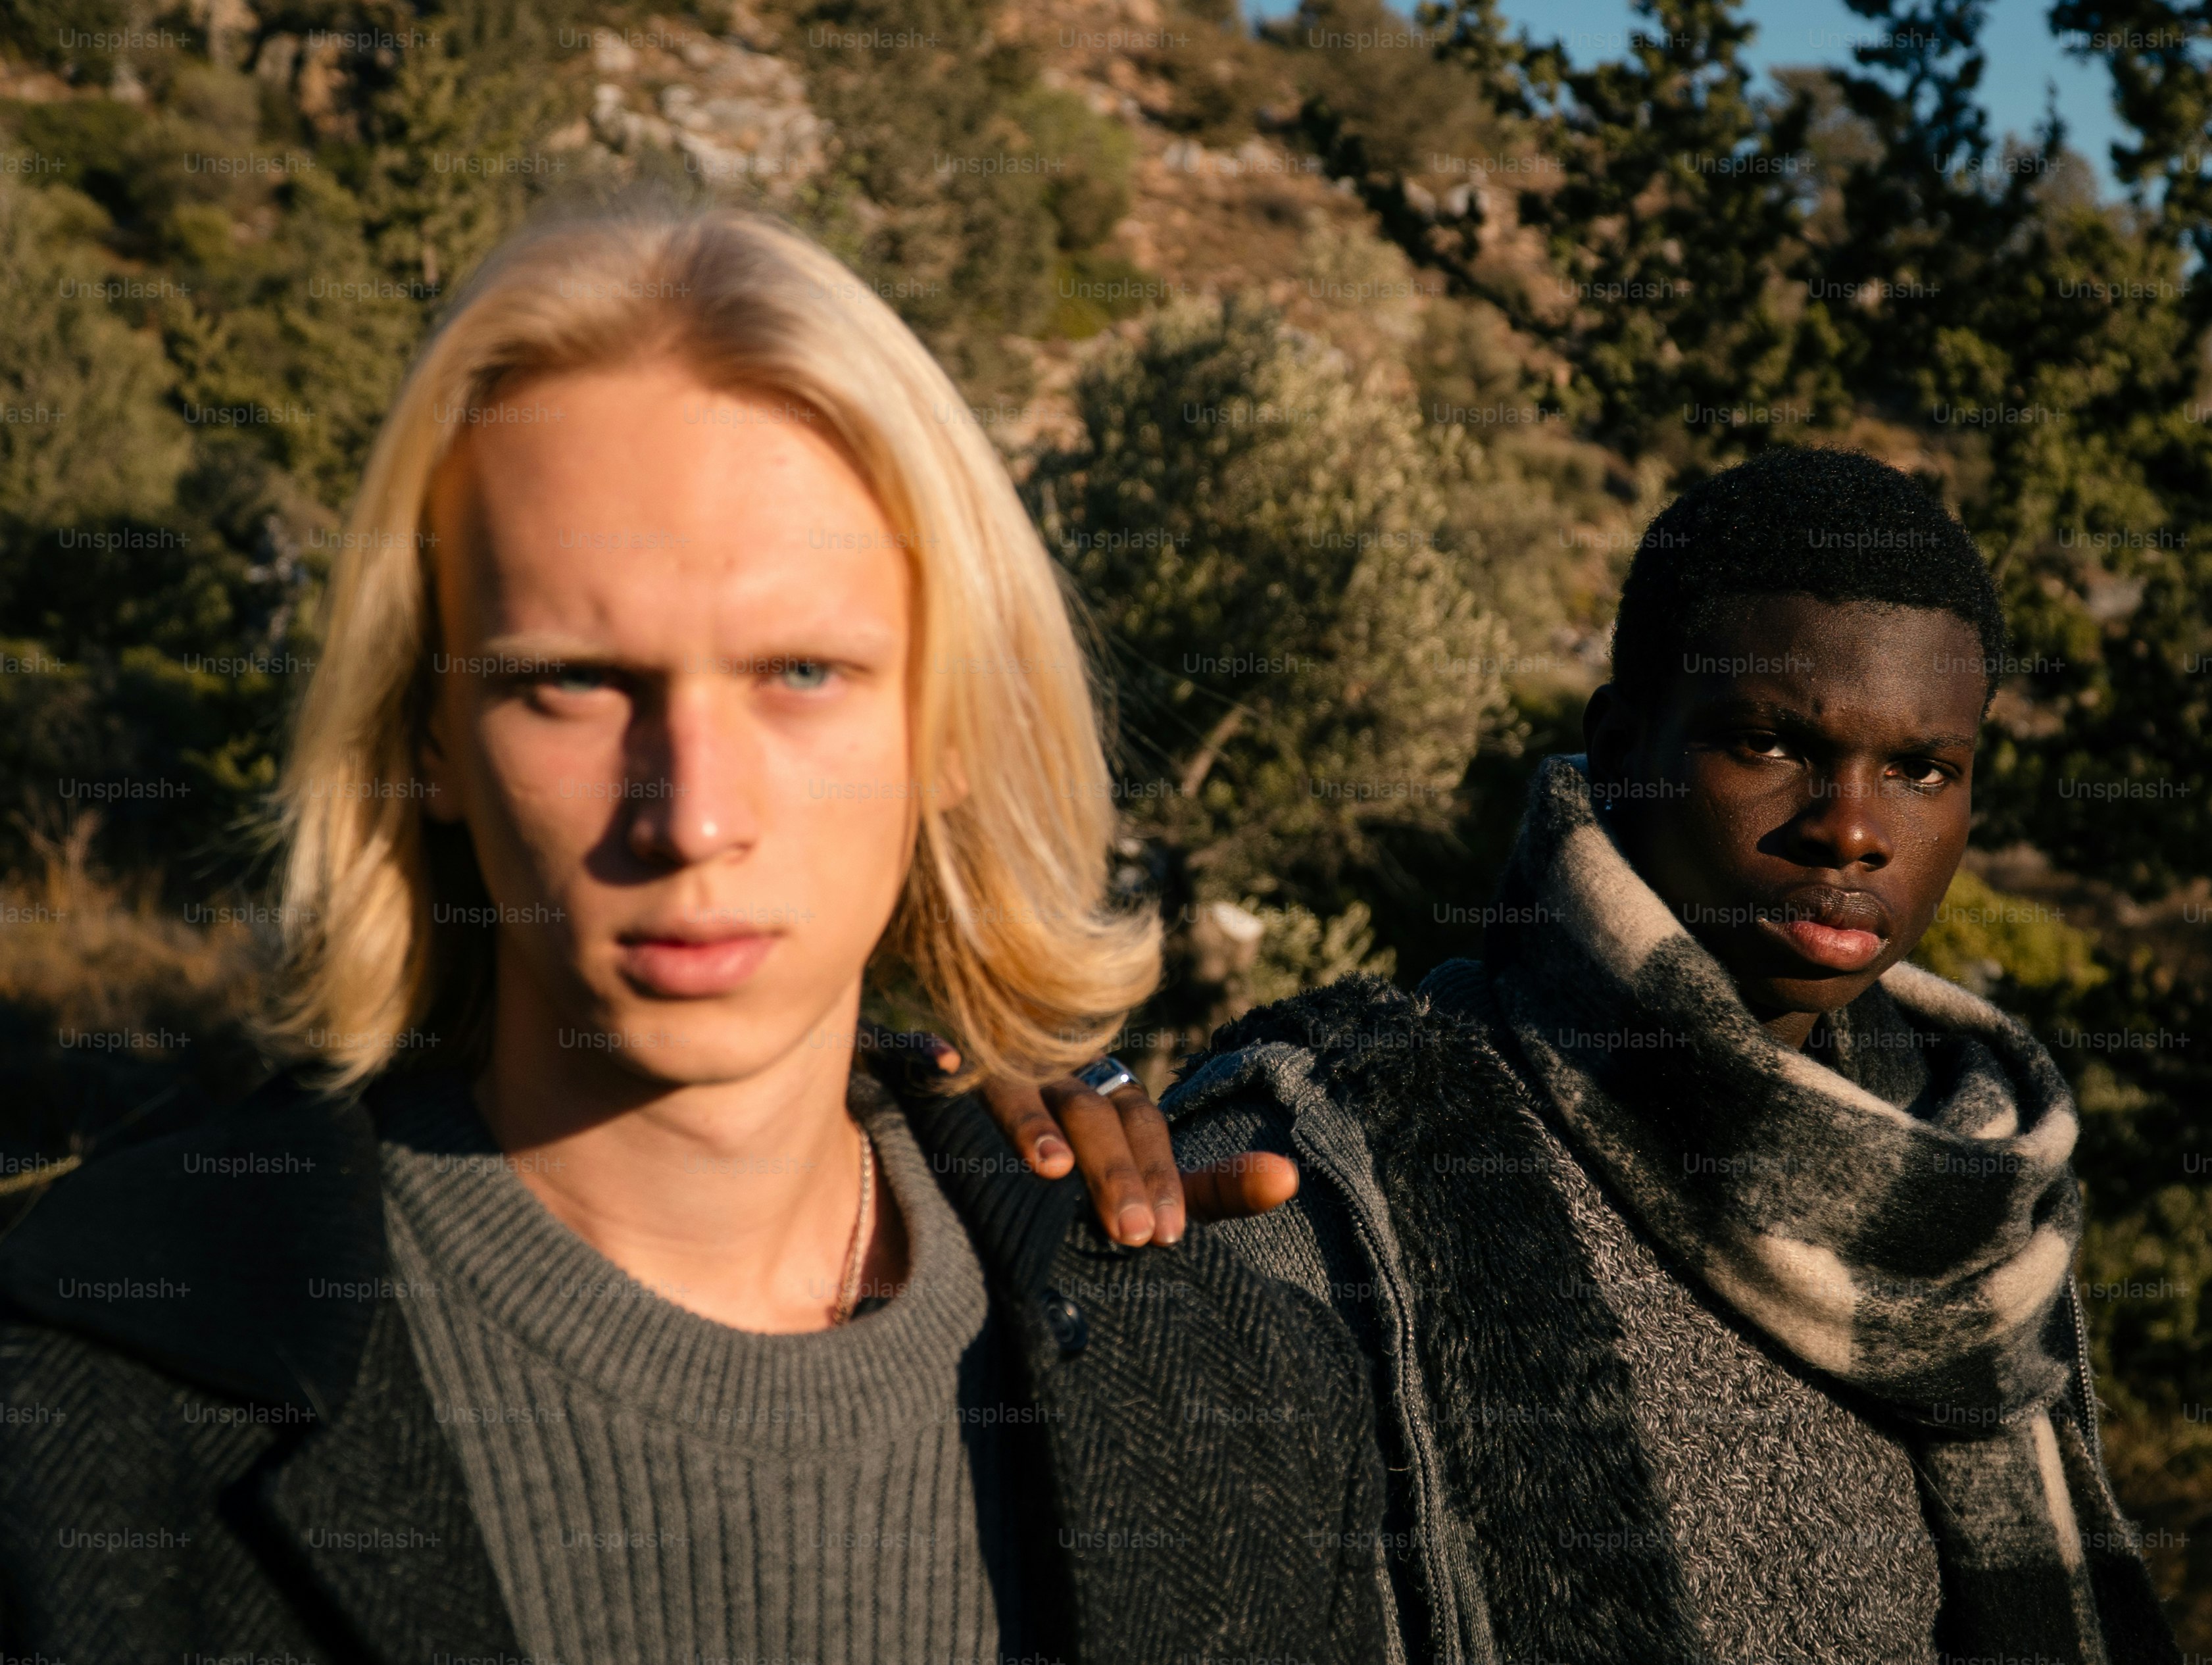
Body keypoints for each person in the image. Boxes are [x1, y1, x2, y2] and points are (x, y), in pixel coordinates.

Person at [0, 205, 1385, 1665]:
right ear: (427, 740)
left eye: (802, 670)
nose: (691, 815)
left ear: (954, 726)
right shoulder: (84, 1410)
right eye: (574, 681)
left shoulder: (1243, 1401)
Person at [999, 449, 2182, 1664]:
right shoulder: (1319, 1164)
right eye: (1770, 744)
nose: (1854, 827)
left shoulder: (1975, 1192)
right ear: (1619, 747)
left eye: (1922, 770)